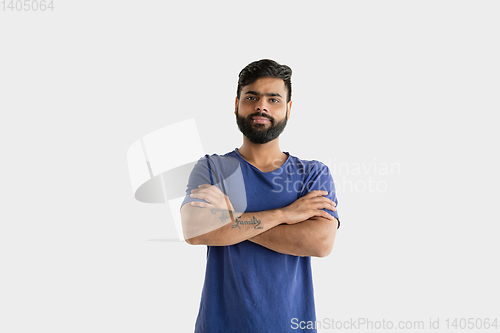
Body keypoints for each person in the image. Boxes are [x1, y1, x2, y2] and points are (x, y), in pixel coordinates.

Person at [180, 59, 340, 333]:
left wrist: (230, 220)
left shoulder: (313, 174)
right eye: (251, 97)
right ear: (236, 104)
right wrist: (284, 215)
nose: (261, 106)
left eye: (274, 99)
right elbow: (195, 231)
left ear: (288, 109)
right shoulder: (211, 168)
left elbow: (320, 243)